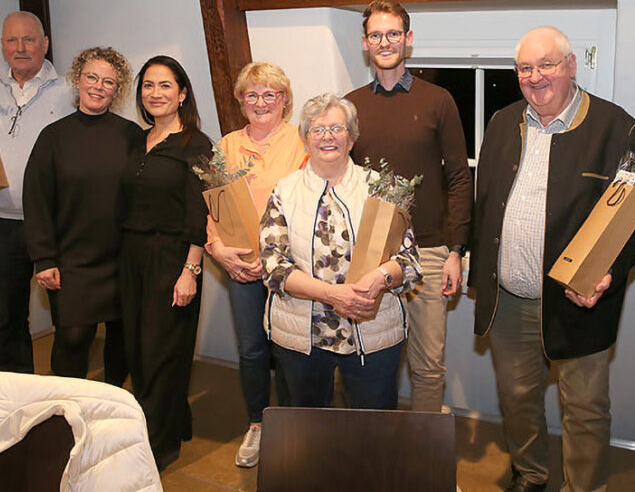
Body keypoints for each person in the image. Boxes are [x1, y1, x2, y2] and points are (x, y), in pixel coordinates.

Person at [471, 26, 635, 492]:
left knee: (585, 408)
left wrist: (608, 273)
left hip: (577, 300)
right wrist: (474, 271)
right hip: (509, 299)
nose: (536, 76)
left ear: (571, 65)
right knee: (517, 399)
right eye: (525, 68)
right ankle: (530, 475)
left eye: (546, 64)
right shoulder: (502, 122)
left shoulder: (617, 128)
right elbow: (484, 203)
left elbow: (632, 222)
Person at [346, 0, 472, 413]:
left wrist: (456, 250)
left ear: (408, 38)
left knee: (428, 367)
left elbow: (459, 177)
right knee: (368, 361)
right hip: (371, 253)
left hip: (429, 250)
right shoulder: (350, 106)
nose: (385, 42)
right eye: (376, 35)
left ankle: (424, 450)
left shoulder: (438, 100)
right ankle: (377, 445)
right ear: (365, 42)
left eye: (393, 34)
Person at [260, 93, 422, 410]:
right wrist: (333, 295)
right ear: (305, 138)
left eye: (337, 128)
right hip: (302, 336)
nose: (328, 137)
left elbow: (410, 261)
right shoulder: (284, 191)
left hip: (373, 332)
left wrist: (380, 277)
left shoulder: (382, 188)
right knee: (307, 429)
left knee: (372, 426)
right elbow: (273, 266)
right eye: (318, 129)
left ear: (352, 137)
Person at [0, 11, 73, 373]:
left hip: (56, 227)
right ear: (3, 45)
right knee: (9, 318)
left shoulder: (70, 90)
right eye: (11, 40)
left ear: (45, 44)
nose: (20, 48)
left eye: (29, 39)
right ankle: (15, 395)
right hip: (1, 224)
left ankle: (65, 392)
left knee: (68, 320)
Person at [205, 62, 308, 468]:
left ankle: (293, 427)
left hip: (291, 269)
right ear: (241, 101)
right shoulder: (227, 146)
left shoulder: (302, 142)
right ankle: (258, 424)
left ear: (284, 99)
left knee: (291, 349)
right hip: (243, 268)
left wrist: (278, 262)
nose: (261, 102)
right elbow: (213, 206)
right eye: (252, 94)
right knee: (251, 351)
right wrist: (217, 249)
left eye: (270, 94)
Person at [23, 46, 140, 384]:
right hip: (71, 260)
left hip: (122, 259)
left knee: (122, 343)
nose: (98, 86)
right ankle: (65, 406)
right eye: (92, 77)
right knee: (72, 339)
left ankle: (112, 403)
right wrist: (44, 258)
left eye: (108, 81)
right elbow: (36, 200)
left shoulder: (131, 136)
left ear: (117, 90)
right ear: (77, 79)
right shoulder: (53, 137)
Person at [119, 55, 211, 470]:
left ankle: (160, 445)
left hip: (173, 257)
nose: (155, 93)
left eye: (165, 85)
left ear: (183, 93)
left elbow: (201, 213)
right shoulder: (136, 140)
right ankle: (173, 421)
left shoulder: (197, 145)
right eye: (148, 85)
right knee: (138, 350)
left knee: (163, 351)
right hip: (131, 256)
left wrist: (190, 270)